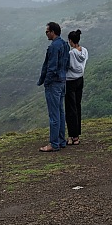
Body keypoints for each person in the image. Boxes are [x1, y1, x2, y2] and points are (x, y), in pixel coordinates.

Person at [36, 22, 70, 152]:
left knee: (54, 114)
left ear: (53, 32)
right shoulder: (65, 45)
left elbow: (51, 67)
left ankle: (54, 144)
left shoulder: (53, 47)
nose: (46, 34)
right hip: (62, 81)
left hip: (54, 83)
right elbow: (67, 63)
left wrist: (47, 81)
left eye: (47, 32)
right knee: (60, 112)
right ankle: (61, 141)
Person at [65, 30, 88, 145]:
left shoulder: (71, 53)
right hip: (80, 80)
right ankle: (77, 135)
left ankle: (72, 135)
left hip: (70, 82)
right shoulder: (84, 51)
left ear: (70, 40)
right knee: (77, 106)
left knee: (70, 109)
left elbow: (68, 66)